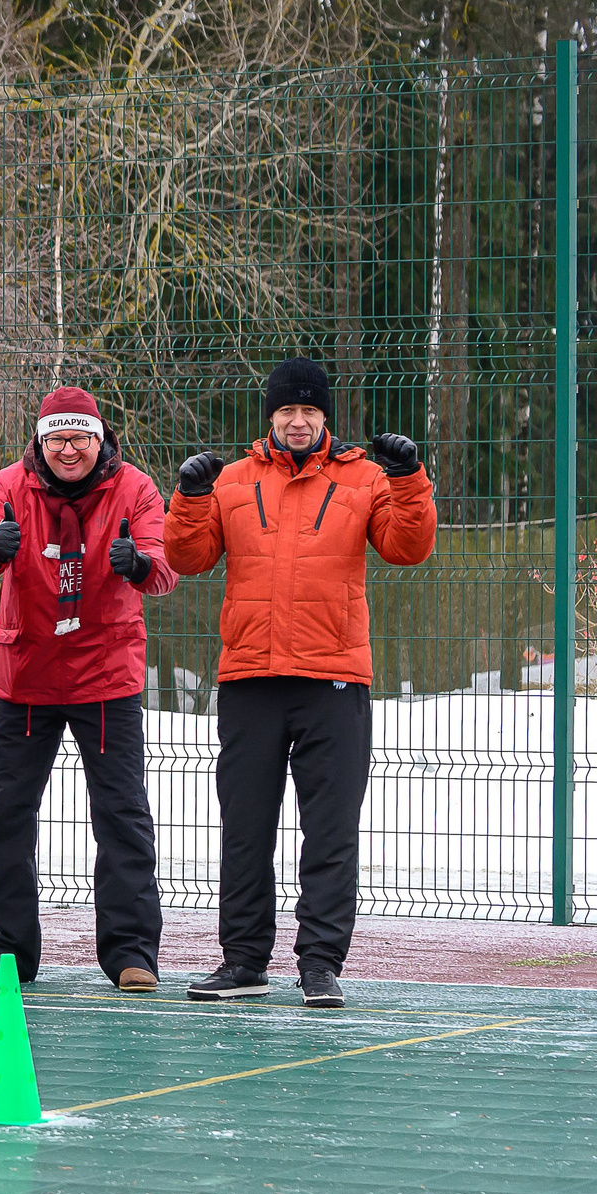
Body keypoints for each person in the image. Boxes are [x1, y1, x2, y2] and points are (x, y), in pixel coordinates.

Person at [165, 357, 437, 1009]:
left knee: (331, 829)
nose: (296, 421)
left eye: (308, 411)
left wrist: (409, 481)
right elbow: (187, 557)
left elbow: (409, 546)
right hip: (250, 677)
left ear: (325, 417)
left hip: (334, 678)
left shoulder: (365, 479)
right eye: (286, 410)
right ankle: (243, 960)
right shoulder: (232, 480)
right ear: (271, 416)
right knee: (246, 828)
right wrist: (189, 496)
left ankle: (320, 963)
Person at [0, 385, 174, 993]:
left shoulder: (134, 487)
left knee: (122, 814)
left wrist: (138, 565)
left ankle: (132, 952)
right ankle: (11, 948)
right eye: (57, 439)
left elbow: (163, 567)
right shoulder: (10, 485)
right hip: (24, 674)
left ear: (100, 438)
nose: (68, 450)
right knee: (6, 814)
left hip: (105, 674)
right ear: (40, 441)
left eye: (80, 438)